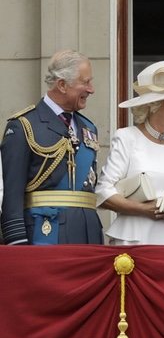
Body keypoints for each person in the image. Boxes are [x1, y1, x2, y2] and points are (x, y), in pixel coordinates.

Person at [95, 60, 164, 245]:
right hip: (136, 242)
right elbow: (104, 192)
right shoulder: (127, 137)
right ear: (155, 104)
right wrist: (144, 209)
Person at [0, 50, 103, 245]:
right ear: (62, 85)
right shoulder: (24, 125)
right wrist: (17, 241)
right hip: (45, 233)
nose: (91, 90)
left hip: (87, 234)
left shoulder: (88, 128)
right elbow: (11, 193)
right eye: (85, 82)